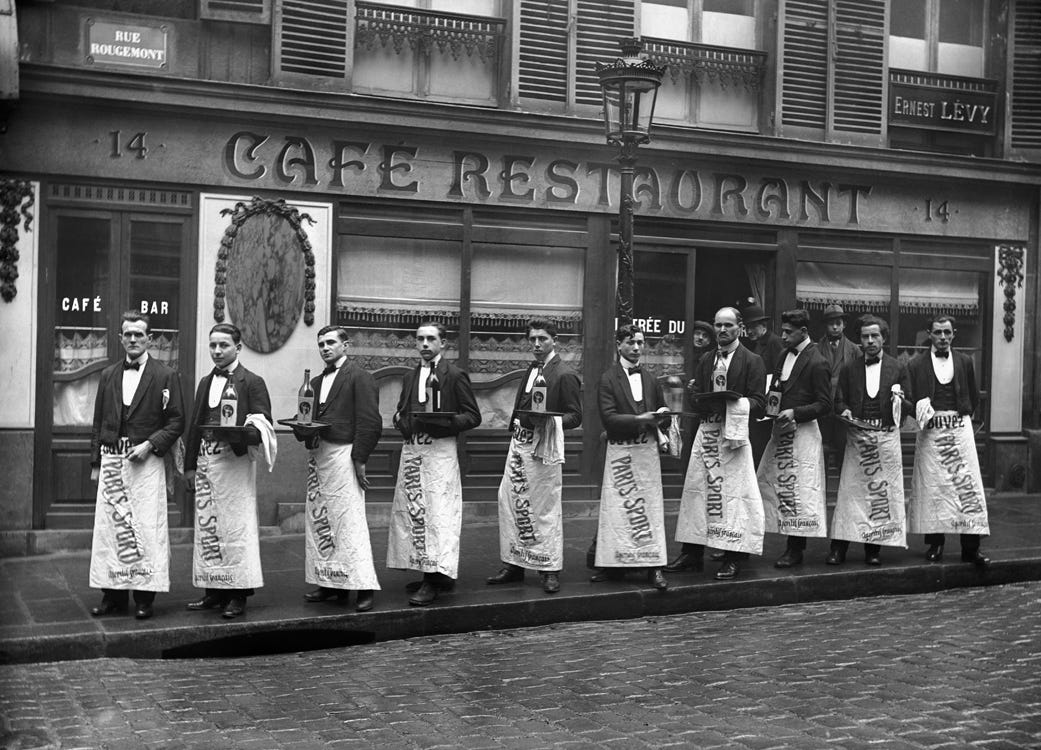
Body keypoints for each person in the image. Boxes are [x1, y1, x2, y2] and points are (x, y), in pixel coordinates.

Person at [87, 312, 184, 620]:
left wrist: (151, 444)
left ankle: (144, 597)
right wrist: (95, 462)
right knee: (112, 528)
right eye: (127, 335)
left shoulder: (165, 375)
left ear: (150, 339)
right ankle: (112, 598)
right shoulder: (108, 374)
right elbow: (99, 421)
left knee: (145, 527)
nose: (132, 340)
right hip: (113, 459)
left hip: (146, 461)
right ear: (120, 338)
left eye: (139, 335)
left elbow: (177, 421)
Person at [667, 307, 766, 580]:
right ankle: (692, 553)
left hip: (733, 437)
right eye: (718, 325)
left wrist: (736, 402)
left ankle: (734, 555)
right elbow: (699, 397)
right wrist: (694, 395)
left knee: (733, 496)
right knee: (698, 490)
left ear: (740, 328)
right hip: (708, 432)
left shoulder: (752, 360)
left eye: (728, 325)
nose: (722, 330)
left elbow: (759, 401)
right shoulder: (707, 359)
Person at [184, 323, 274, 619]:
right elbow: (194, 425)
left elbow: (263, 427)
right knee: (209, 527)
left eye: (223, 345)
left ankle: (238, 593)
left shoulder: (252, 382)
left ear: (238, 347)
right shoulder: (204, 382)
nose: (217, 351)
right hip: (206, 462)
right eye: (213, 345)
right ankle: (213, 590)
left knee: (236, 527)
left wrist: (240, 432)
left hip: (234, 463)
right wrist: (189, 466)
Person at [388, 322, 481, 606]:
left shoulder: (454, 375)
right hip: (414, 452)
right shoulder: (410, 375)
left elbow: (473, 416)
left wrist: (446, 423)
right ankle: (432, 572)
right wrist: (399, 420)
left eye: (431, 339)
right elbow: (403, 409)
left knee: (438, 516)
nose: (425, 344)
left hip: (440, 453)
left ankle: (434, 579)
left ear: (443, 344)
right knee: (415, 512)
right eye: (420, 339)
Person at [486, 319, 582, 594]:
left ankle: (549, 568)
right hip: (519, 446)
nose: (537, 344)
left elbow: (576, 415)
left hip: (543, 449)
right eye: (532, 339)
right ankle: (514, 564)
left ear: (555, 340)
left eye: (542, 339)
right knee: (512, 502)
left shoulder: (564, 374)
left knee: (544, 509)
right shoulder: (531, 369)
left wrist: (548, 422)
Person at [291, 326, 382, 612]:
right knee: (322, 522)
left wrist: (360, 458)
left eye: (331, 342)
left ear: (346, 345)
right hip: (319, 457)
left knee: (349, 522)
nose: (325, 348)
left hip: (344, 455)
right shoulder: (316, 382)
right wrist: (300, 428)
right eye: (321, 344)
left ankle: (364, 585)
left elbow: (370, 421)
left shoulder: (360, 377)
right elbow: (306, 417)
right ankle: (331, 583)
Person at [828, 315, 912, 566]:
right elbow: (838, 400)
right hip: (857, 438)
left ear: (883, 338)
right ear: (860, 340)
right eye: (865, 336)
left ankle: (872, 549)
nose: (870, 341)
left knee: (879, 495)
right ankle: (838, 548)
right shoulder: (849, 368)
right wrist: (843, 410)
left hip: (885, 438)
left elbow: (910, 405)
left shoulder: (898, 367)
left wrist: (900, 401)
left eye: (875, 336)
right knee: (849, 494)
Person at [907, 315, 990, 566]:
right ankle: (935, 544)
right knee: (934, 488)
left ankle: (970, 548)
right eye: (937, 332)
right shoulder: (916, 364)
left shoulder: (965, 362)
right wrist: (920, 410)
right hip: (931, 432)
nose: (942, 337)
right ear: (929, 335)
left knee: (967, 487)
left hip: (959, 429)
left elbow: (973, 397)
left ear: (953, 334)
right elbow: (909, 399)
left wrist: (958, 417)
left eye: (947, 332)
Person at [591, 324, 670, 590]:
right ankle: (613, 563)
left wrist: (664, 416)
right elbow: (609, 417)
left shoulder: (650, 378)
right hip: (620, 452)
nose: (636, 348)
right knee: (620, 506)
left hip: (646, 453)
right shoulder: (608, 378)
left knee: (649, 508)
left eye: (640, 342)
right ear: (619, 345)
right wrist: (638, 418)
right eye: (630, 342)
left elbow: (662, 417)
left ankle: (654, 566)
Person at [757, 309, 831, 568]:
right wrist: (770, 409)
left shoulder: (818, 361)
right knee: (773, 484)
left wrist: (795, 413)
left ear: (804, 332)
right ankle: (757, 537)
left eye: (789, 332)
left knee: (798, 491)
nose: (784, 335)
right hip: (781, 431)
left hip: (804, 434)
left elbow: (824, 404)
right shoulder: (782, 355)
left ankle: (795, 548)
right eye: (784, 330)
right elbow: (777, 387)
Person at [817, 304, 860, 471]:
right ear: (825, 326)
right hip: (822, 409)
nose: (835, 327)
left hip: (844, 410)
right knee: (821, 451)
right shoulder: (815, 349)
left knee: (845, 452)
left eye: (838, 323)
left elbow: (858, 381)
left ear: (844, 325)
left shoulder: (854, 350)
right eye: (831, 323)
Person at [742, 304, 784, 466]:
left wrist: (772, 409)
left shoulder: (775, 343)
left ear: (764, 326)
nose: (749, 331)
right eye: (747, 327)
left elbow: (779, 378)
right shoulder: (757, 344)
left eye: (753, 327)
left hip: (769, 408)